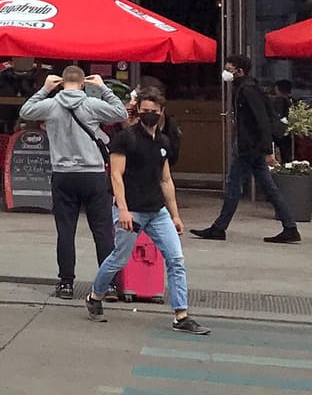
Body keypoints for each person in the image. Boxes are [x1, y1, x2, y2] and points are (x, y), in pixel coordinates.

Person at [85, 88, 209, 334]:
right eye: (145, 111)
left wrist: (175, 215)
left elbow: (166, 180)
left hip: (157, 211)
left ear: (162, 112)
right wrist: (123, 210)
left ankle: (181, 315)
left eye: (154, 111)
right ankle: (95, 295)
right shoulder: (125, 139)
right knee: (119, 259)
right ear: (138, 111)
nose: (149, 115)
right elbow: (116, 176)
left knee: (176, 259)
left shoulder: (163, 142)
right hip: (132, 210)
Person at [20, 64, 129, 299]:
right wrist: (103, 87)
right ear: (82, 84)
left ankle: (66, 283)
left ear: (61, 83)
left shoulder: (50, 106)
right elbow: (122, 113)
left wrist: (43, 89)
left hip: (63, 174)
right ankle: (107, 284)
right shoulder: (91, 104)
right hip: (93, 174)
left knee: (66, 231)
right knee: (102, 230)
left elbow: (26, 111)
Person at [196, 54, 299, 243]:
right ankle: (290, 226)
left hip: (249, 147)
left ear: (239, 71)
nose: (226, 72)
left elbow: (261, 120)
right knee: (267, 187)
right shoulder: (247, 87)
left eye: (229, 69)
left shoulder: (247, 89)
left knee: (234, 186)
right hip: (252, 146)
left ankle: (219, 228)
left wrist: (268, 151)